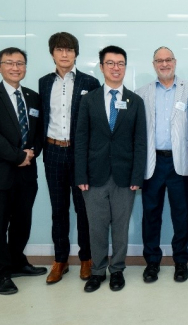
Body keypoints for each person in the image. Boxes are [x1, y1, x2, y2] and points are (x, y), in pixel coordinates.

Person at [0, 47, 47, 295]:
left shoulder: (33, 96)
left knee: (22, 223)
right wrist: (18, 156)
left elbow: (39, 133)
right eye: (9, 63)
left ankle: (17, 262)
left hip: (27, 172)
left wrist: (31, 153)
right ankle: (1, 274)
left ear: (25, 67)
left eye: (20, 63)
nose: (15, 68)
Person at [75, 45, 147, 293]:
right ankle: (97, 271)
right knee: (96, 227)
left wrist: (137, 175)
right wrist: (80, 174)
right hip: (93, 176)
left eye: (121, 63)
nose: (116, 68)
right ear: (102, 66)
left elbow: (140, 141)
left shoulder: (135, 101)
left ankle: (117, 270)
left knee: (120, 227)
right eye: (111, 63)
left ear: (125, 67)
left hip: (125, 177)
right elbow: (81, 139)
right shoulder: (89, 100)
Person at [39, 32, 100, 284]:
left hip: (80, 154)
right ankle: (60, 260)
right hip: (53, 151)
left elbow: (97, 123)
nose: (65, 54)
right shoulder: (43, 83)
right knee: (58, 209)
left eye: (69, 50)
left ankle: (86, 258)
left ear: (76, 53)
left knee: (84, 209)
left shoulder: (90, 82)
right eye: (59, 50)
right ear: (52, 53)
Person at [135, 47, 188, 283]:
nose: (164, 64)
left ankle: (181, 261)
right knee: (151, 214)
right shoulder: (141, 93)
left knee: (182, 215)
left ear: (175, 62)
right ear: (153, 64)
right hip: (153, 163)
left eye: (168, 59)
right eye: (159, 60)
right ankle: (152, 262)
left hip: (181, 163)